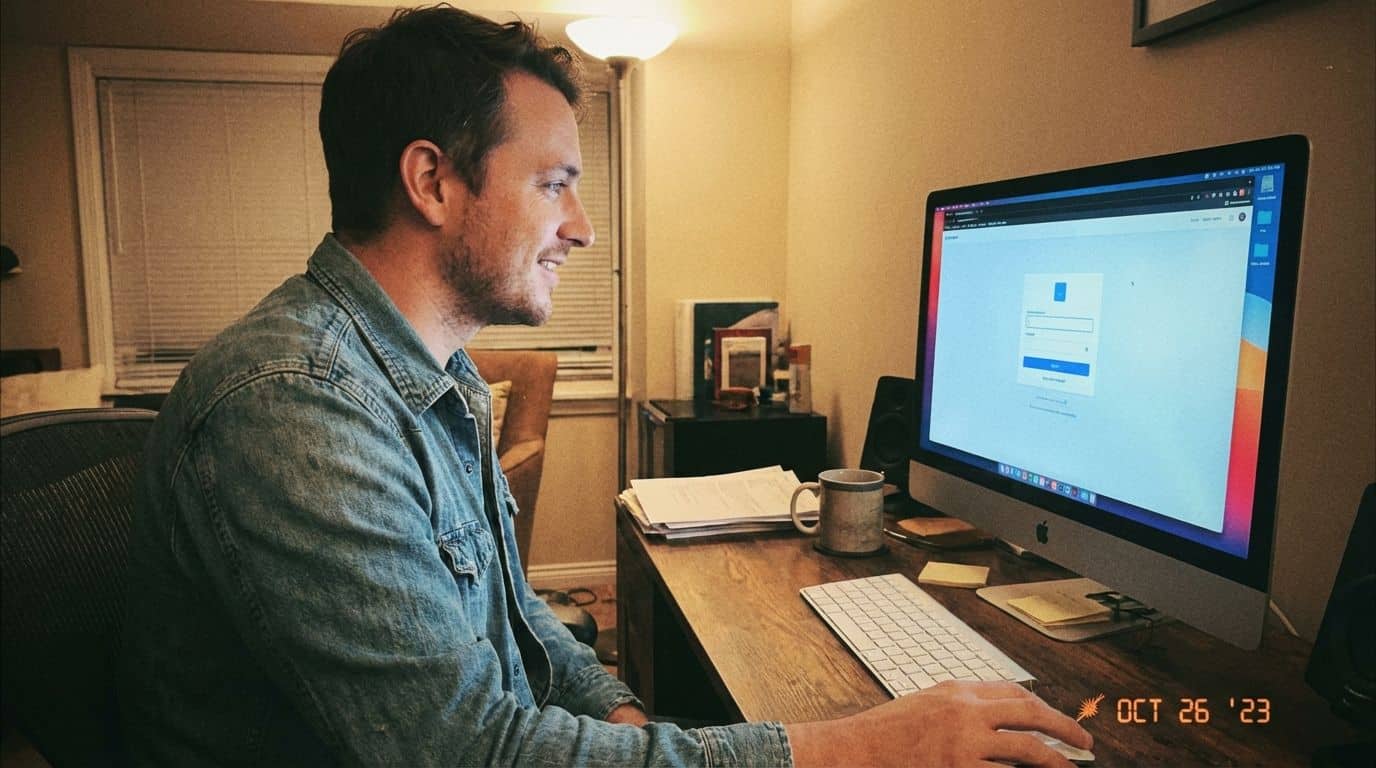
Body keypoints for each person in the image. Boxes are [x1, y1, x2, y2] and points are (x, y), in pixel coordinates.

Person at [117, 5, 1092, 766]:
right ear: (431, 182)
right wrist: (863, 747)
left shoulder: (429, 372)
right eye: (553, 184)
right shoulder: (296, 404)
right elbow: (462, 755)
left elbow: (509, 606)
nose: (581, 227)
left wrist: (614, 710)